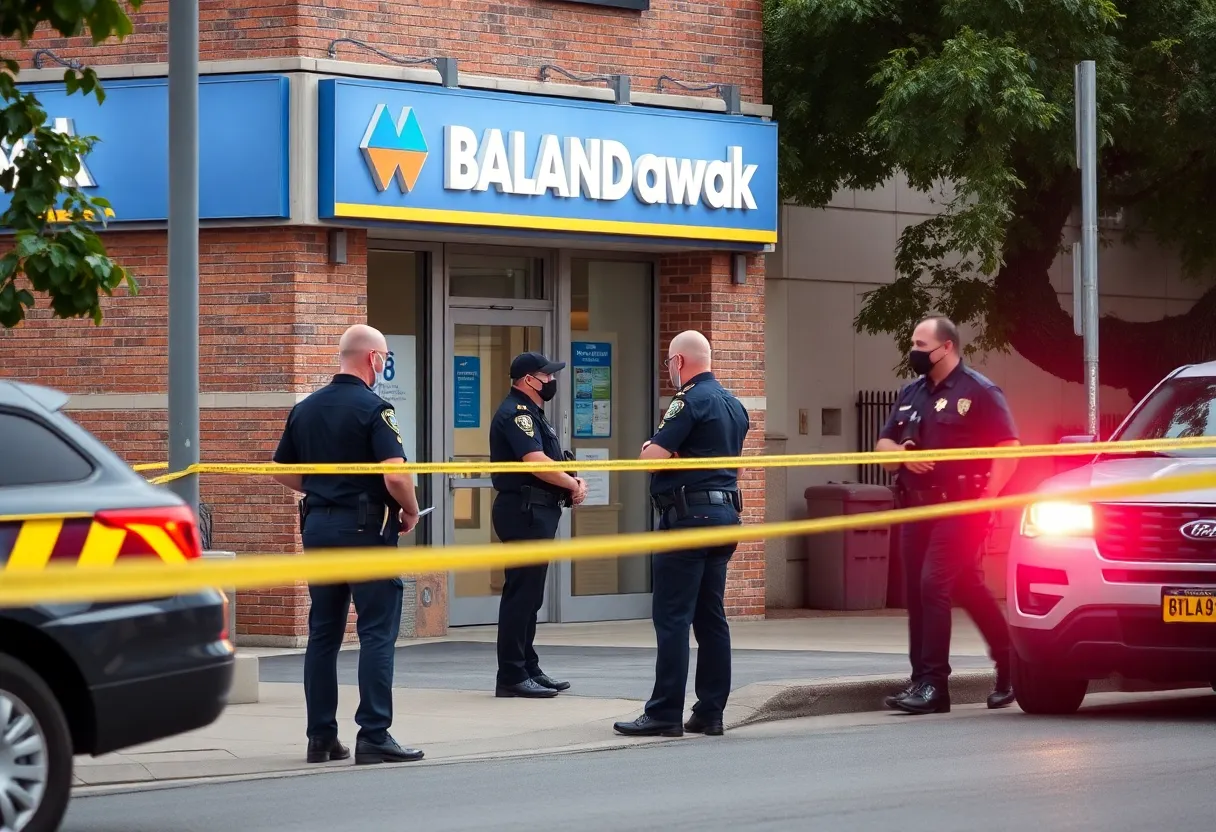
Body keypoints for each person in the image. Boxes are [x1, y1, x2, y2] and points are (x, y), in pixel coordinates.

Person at [271, 323, 425, 765]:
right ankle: (374, 733)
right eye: (384, 358)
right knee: (376, 632)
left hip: (318, 527)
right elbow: (395, 475)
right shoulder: (375, 409)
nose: (383, 365)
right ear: (373, 358)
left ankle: (321, 738)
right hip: (365, 531)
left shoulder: (306, 408)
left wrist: (323, 488)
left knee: (324, 633)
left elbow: (279, 470)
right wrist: (410, 510)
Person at [875, 315, 1020, 715]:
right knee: (961, 588)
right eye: (914, 344)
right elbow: (883, 445)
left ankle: (934, 685)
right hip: (916, 505)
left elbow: (1009, 447)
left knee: (932, 584)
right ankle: (1007, 662)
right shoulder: (911, 393)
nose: (914, 352)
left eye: (922, 346)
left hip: (962, 508)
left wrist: (988, 498)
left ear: (947, 347)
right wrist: (900, 455)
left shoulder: (981, 392)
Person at [614, 330, 750, 738]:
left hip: (687, 520)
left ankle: (664, 712)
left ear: (678, 362)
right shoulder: (735, 405)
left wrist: (656, 449)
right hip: (725, 517)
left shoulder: (687, 401)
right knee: (711, 619)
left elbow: (649, 460)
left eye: (668, 364)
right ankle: (710, 712)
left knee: (672, 618)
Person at [489, 351, 587, 698]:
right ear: (529, 380)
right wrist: (572, 484)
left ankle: (528, 666)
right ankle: (512, 675)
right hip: (524, 511)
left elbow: (552, 460)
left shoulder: (534, 414)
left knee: (531, 596)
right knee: (521, 595)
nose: (551, 381)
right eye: (546, 376)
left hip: (538, 510)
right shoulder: (517, 415)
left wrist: (571, 479)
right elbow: (536, 462)